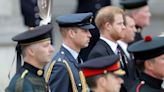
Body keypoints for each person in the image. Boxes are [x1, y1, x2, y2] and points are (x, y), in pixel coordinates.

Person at [47, 13, 95, 92]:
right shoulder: (61, 66)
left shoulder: (75, 58)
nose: (89, 35)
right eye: (85, 31)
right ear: (71, 33)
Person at [5, 24, 55, 92]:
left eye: (50, 45)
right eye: (46, 46)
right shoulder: (24, 84)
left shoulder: (36, 77)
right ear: (31, 51)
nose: (52, 49)